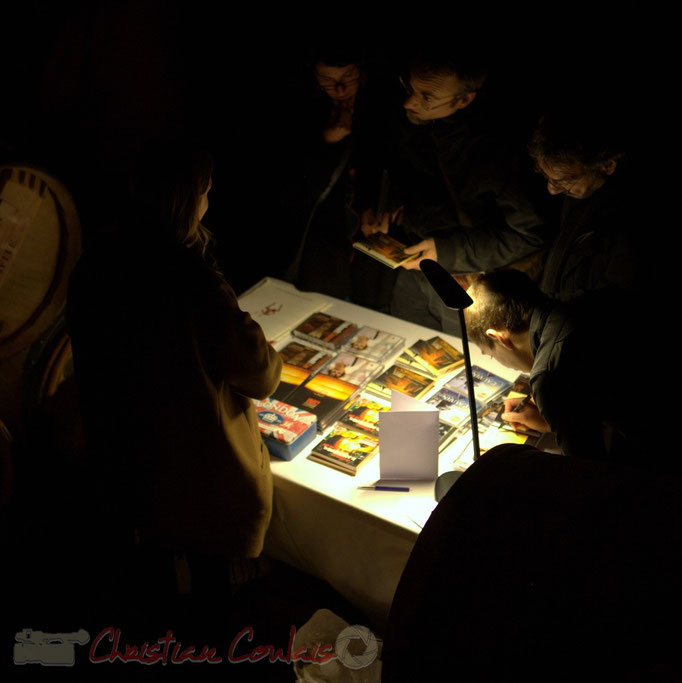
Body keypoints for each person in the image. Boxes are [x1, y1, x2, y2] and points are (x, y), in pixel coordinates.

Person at [66, 142, 282, 600]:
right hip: (198, 468)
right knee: (212, 590)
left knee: (151, 583)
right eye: (206, 191)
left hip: (123, 457)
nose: (209, 201)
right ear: (188, 198)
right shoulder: (194, 282)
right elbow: (261, 374)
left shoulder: (95, 263)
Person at [359, 48, 552, 333]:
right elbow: (386, 166)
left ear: (464, 99)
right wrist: (378, 204)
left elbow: (530, 233)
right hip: (414, 267)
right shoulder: (407, 119)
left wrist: (447, 251)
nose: (410, 102)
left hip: (473, 280)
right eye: (410, 88)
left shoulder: (496, 150)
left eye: (427, 97)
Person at [463, 269, 667, 470]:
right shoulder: (586, 299)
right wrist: (563, 421)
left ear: (498, 337)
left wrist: (560, 411)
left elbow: (590, 472)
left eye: (489, 354)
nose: (496, 360)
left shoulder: (550, 376)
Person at [528, 105, 645, 300]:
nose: (551, 190)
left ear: (607, 165)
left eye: (563, 181)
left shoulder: (629, 229)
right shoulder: (580, 194)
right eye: (546, 177)